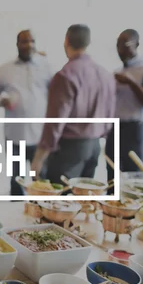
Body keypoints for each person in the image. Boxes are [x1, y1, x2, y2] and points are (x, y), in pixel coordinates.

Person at [31, 24, 116, 182]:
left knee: (58, 200)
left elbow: (55, 121)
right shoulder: (105, 75)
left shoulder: (66, 75)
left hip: (69, 149)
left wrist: (39, 158)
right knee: (83, 200)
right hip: (94, 146)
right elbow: (110, 115)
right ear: (88, 43)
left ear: (66, 40)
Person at [0, 30, 53, 194]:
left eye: (32, 41)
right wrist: (1, 100)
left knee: (41, 181)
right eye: (24, 41)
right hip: (14, 135)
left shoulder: (46, 67)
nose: (29, 45)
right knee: (16, 180)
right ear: (17, 44)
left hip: (39, 136)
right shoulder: (5, 69)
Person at [105, 29, 143, 182]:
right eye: (118, 45)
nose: (120, 49)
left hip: (134, 129)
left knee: (132, 177)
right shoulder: (117, 71)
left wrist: (131, 83)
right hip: (114, 129)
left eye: (125, 44)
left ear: (137, 44)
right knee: (112, 174)